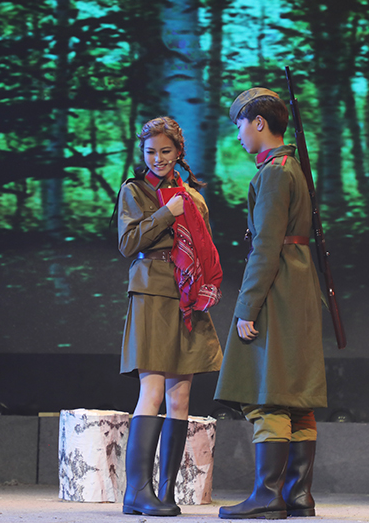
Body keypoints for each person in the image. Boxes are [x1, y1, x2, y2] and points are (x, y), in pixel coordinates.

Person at [214, 88, 328, 520]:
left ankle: (267, 496)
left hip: (278, 288)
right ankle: (298, 495)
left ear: (259, 122)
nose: (239, 134)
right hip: (298, 285)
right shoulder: (290, 166)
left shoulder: (275, 173)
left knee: (271, 395)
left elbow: (266, 246)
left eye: (240, 125)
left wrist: (247, 306)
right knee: (296, 396)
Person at [117, 116, 224, 517]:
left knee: (181, 396)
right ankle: (136, 492)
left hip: (186, 295)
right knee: (153, 390)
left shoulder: (192, 196)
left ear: (179, 152)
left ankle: (166, 494)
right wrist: (165, 213)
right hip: (151, 291)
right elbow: (128, 242)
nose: (158, 158)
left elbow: (203, 248)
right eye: (150, 152)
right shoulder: (135, 190)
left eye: (165, 151)